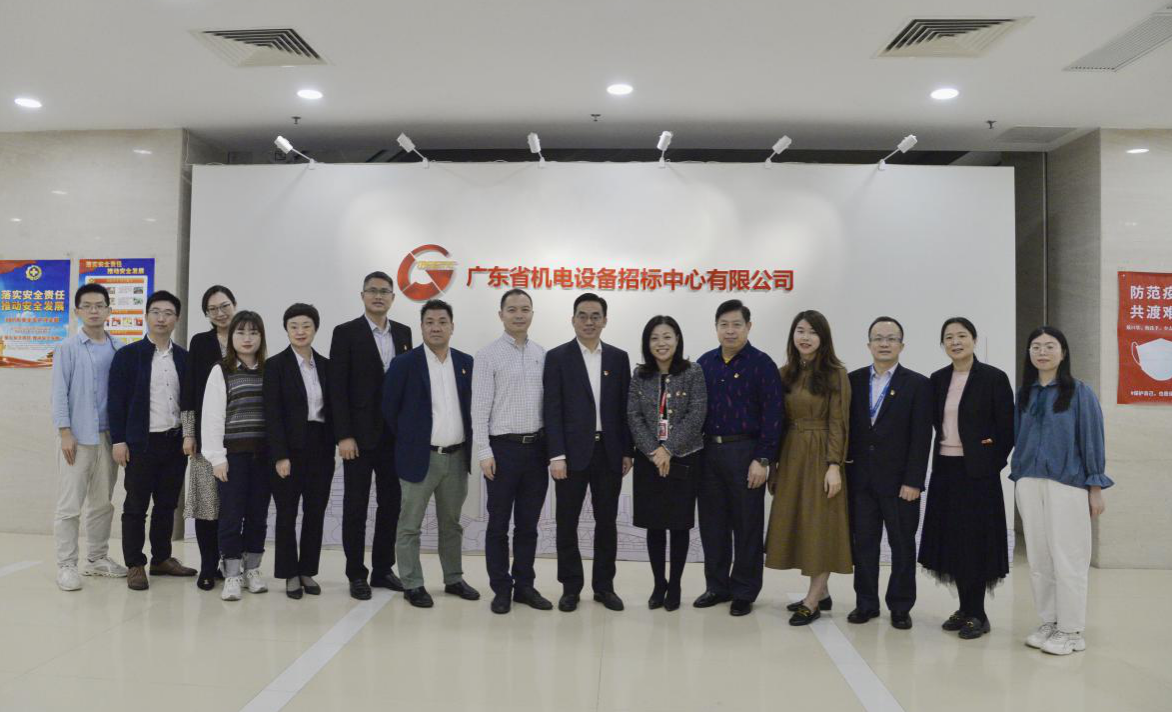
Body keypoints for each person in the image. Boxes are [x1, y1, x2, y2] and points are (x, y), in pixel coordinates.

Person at [1012, 326, 1112, 655]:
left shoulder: (1079, 392)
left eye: (1050, 346)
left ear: (1063, 352)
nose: (1042, 352)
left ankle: (1071, 630)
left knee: (1069, 557)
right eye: (1036, 346)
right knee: (1039, 558)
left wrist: (1095, 487)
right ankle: (1049, 621)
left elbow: (1092, 440)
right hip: (1029, 482)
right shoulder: (1024, 394)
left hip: (1067, 484)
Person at [918, 317, 1014, 640]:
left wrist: (990, 464)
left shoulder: (993, 378)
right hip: (946, 471)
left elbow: (1007, 429)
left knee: (976, 542)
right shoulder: (937, 379)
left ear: (974, 340)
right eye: (949, 337)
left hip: (978, 475)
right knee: (953, 541)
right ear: (943, 344)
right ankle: (963, 608)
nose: (955, 342)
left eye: (962, 335)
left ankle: (978, 613)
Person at [382, 299, 480, 608]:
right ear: (421, 326)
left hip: (456, 457)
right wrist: (410, 440)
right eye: (430, 322)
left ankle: (453, 578)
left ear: (452, 326)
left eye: (442, 322)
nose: (436, 327)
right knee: (409, 525)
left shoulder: (465, 362)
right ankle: (412, 583)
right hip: (419, 457)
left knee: (451, 524)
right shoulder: (404, 364)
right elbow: (389, 410)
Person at [544, 293, 633, 613]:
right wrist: (556, 455)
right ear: (573, 320)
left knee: (606, 522)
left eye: (596, 316)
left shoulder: (618, 358)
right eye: (582, 315)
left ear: (605, 320)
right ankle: (570, 587)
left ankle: (604, 587)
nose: (589, 322)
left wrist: (627, 451)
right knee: (566, 522)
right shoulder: (557, 357)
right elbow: (552, 409)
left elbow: (625, 408)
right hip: (570, 455)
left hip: (609, 452)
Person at [695, 300, 784, 616]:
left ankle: (744, 590)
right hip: (708, 452)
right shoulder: (704, 363)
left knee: (747, 526)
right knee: (712, 524)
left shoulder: (762, 364)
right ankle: (716, 586)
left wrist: (763, 459)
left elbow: (774, 414)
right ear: (716, 327)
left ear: (749, 326)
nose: (730, 331)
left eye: (736, 324)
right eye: (724, 324)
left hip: (746, 452)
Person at [844, 316, 932, 629]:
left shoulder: (918, 384)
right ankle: (866, 604)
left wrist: (914, 481)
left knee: (902, 546)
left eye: (891, 338)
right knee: (864, 546)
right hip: (861, 481)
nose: (884, 343)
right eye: (878, 338)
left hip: (900, 484)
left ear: (901, 345)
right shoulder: (852, 381)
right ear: (868, 344)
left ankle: (900, 606)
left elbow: (922, 437)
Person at [329, 271, 412, 600]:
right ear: (362, 295)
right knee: (356, 506)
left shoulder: (404, 333)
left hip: (394, 438)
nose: (379, 296)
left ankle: (382, 568)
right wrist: (343, 435)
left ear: (393, 297)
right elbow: (337, 388)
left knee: (391, 505)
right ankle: (355, 573)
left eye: (385, 291)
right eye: (373, 290)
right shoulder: (345, 333)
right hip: (358, 439)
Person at [766, 310, 852, 625]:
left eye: (813, 332)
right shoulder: (784, 373)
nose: (805, 337)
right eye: (800, 330)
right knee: (801, 523)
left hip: (820, 454)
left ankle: (812, 601)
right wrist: (774, 464)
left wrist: (834, 465)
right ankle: (822, 592)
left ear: (823, 338)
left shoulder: (835, 374)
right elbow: (776, 422)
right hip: (791, 454)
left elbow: (838, 422)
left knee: (821, 524)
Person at [108, 290, 197, 590]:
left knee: (167, 505)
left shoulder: (184, 358)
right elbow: (116, 401)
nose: (161, 318)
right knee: (136, 506)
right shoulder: (128, 355)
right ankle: (135, 563)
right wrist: (119, 440)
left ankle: (161, 558)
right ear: (146, 316)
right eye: (156, 312)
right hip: (140, 443)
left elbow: (189, 401)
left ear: (177, 319)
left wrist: (189, 435)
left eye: (168, 313)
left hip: (175, 443)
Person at [472, 289, 553, 614]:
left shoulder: (542, 354)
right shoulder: (487, 355)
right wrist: (484, 452)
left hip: (536, 450)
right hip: (502, 451)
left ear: (532, 313)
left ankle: (525, 586)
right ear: (501, 314)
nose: (519, 315)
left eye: (525, 309)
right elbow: (479, 408)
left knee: (528, 525)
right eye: (512, 309)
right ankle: (501, 589)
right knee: (498, 525)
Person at [626, 315, 706, 612]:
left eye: (667, 337)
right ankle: (659, 584)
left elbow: (697, 414)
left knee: (679, 525)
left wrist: (668, 450)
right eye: (655, 338)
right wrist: (653, 451)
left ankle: (675, 584)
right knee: (655, 525)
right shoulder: (640, 374)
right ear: (647, 343)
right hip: (649, 460)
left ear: (677, 339)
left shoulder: (693, 372)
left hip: (684, 458)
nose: (661, 343)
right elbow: (633, 415)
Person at [50, 283, 127, 590]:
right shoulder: (67, 348)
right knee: (69, 505)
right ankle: (66, 565)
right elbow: (59, 393)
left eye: (99, 305)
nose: (94, 311)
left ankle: (97, 559)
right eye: (87, 306)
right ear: (77, 311)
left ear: (109, 310)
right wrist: (65, 433)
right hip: (78, 438)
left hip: (109, 438)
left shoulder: (119, 347)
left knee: (102, 503)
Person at [263, 303, 334, 600]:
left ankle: (307, 570)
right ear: (286, 330)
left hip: (321, 447)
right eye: (294, 326)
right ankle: (289, 573)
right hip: (289, 449)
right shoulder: (275, 365)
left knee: (315, 512)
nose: (300, 331)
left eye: (306, 325)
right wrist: (280, 455)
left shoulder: (327, 365)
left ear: (315, 329)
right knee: (287, 513)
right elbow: (272, 413)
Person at [201, 310, 271, 601]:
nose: (247, 338)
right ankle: (231, 573)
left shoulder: (270, 369)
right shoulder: (222, 370)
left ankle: (252, 569)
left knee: (257, 516)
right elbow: (212, 417)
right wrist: (217, 458)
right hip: (233, 458)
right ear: (232, 337)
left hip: (263, 457)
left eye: (253, 332)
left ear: (261, 337)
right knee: (231, 516)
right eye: (241, 332)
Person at [180, 285, 236, 590]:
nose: (220, 313)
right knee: (206, 504)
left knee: (233, 505)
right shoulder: (201, 342)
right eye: (213, 309)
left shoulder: (248, 337)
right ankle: (207, 565)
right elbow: (189, 388)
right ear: (207, 314)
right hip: (205, 434)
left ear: (234, 305)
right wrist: (189, 432)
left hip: (241, 436)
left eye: (224, 306)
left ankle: (231, 563)